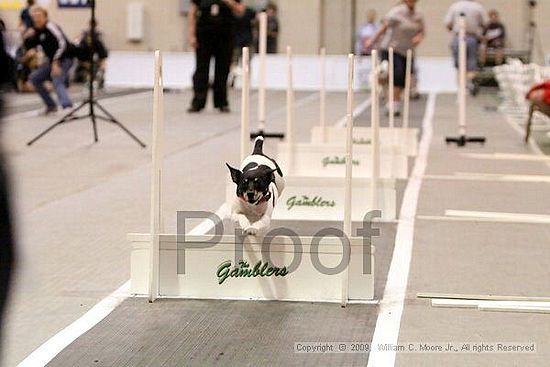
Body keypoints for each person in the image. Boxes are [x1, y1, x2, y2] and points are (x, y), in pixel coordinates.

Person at [366, 0, 425, 116]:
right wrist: (372, 40)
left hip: (407, 51)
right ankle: (392, 102)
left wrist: (419, 38)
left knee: (404, 78)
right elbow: (384, 27)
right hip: (391, 49)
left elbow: (422, 32)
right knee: (396, 74)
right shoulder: (397, 11)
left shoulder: (418, 16)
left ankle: (394, 102)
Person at [188, 0, 245, 113]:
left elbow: (240, 11)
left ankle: (221, 102)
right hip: (204, 36)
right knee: (201, 69)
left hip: (225, 37)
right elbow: (192, 13)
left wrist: (229, 2)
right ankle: (198, 102)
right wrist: (191, 35)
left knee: (222, 69)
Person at [25, 6, 75, 114]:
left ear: (45, 17)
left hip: (65, 57)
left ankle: (67, 107)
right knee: (35, 78)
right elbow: (34, 46)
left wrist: (56, 62)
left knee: (56, 77)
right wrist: (27, 37)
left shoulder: (51, 26)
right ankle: (51, 106)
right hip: (52, 61)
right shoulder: (37, 31)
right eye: (34, 17)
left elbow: (63, 44)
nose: (36, 19)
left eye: (39, 16)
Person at [444, 0, 489, 96]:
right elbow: (485, 23)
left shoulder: (455, 6)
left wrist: (454, 30)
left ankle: (462, 89)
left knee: (460, 66)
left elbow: (448, 24)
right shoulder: (478, 7)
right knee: (471, 65)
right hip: (472, 37)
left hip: (459, 37)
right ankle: (469, 83)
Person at [75, 20, 109, 88]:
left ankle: (97, 77)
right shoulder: (86, 35)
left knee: (99, 65)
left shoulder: (95, 35)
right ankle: (93, 78)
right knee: (95, 66)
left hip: (91, 55)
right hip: (86, 55)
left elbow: (101, 50)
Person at [230, 5, 256, 87]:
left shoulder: (248, 12)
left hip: (247, 41)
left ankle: (247, 81)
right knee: (234, 62)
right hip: (236, 42)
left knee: (247, 62)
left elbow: (256, 18)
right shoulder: (231, 13)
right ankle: (232, 79)